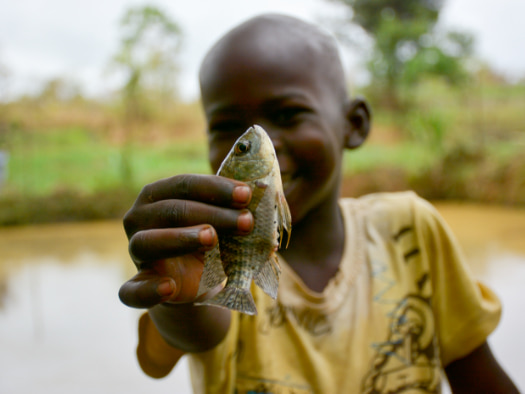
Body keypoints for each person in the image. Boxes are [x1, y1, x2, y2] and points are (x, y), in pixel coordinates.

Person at [118, 13, 518, 393]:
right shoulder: (208, 252)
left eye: (289, 115)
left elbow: (479, 379)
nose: (269, 144)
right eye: (227, 129)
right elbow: (198, 327)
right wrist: (177, 294)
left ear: (353, 124)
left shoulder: (411, 230)